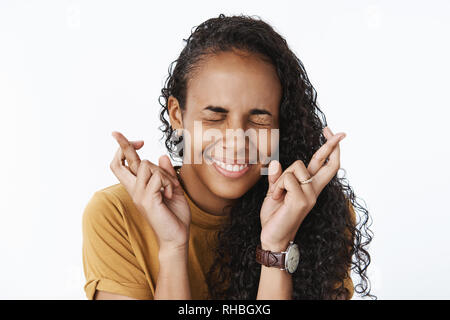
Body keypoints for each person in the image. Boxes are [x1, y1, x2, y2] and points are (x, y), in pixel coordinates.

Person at [82, 14, 374, 300]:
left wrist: (276, 248)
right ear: (177, 116)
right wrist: (172, 248)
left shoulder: (319, 213)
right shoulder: (116, 214)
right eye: (214, 117)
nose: (236, 142)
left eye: (259, 120)